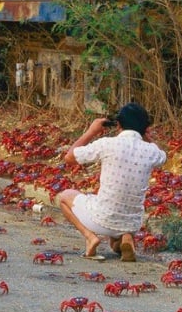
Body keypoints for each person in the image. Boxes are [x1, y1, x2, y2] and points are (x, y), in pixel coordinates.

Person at [54, 103, 166, 261]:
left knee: (65, 196)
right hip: (133, 223)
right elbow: (163, 156)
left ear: (118, 124)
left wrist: (91, 131)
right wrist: (148, 138)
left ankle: (90, 238)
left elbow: (69, 157)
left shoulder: (107, 144)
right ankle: (127, 237)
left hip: (102, 219)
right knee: (115, 244)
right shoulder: (152, 151)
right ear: (145, 128)